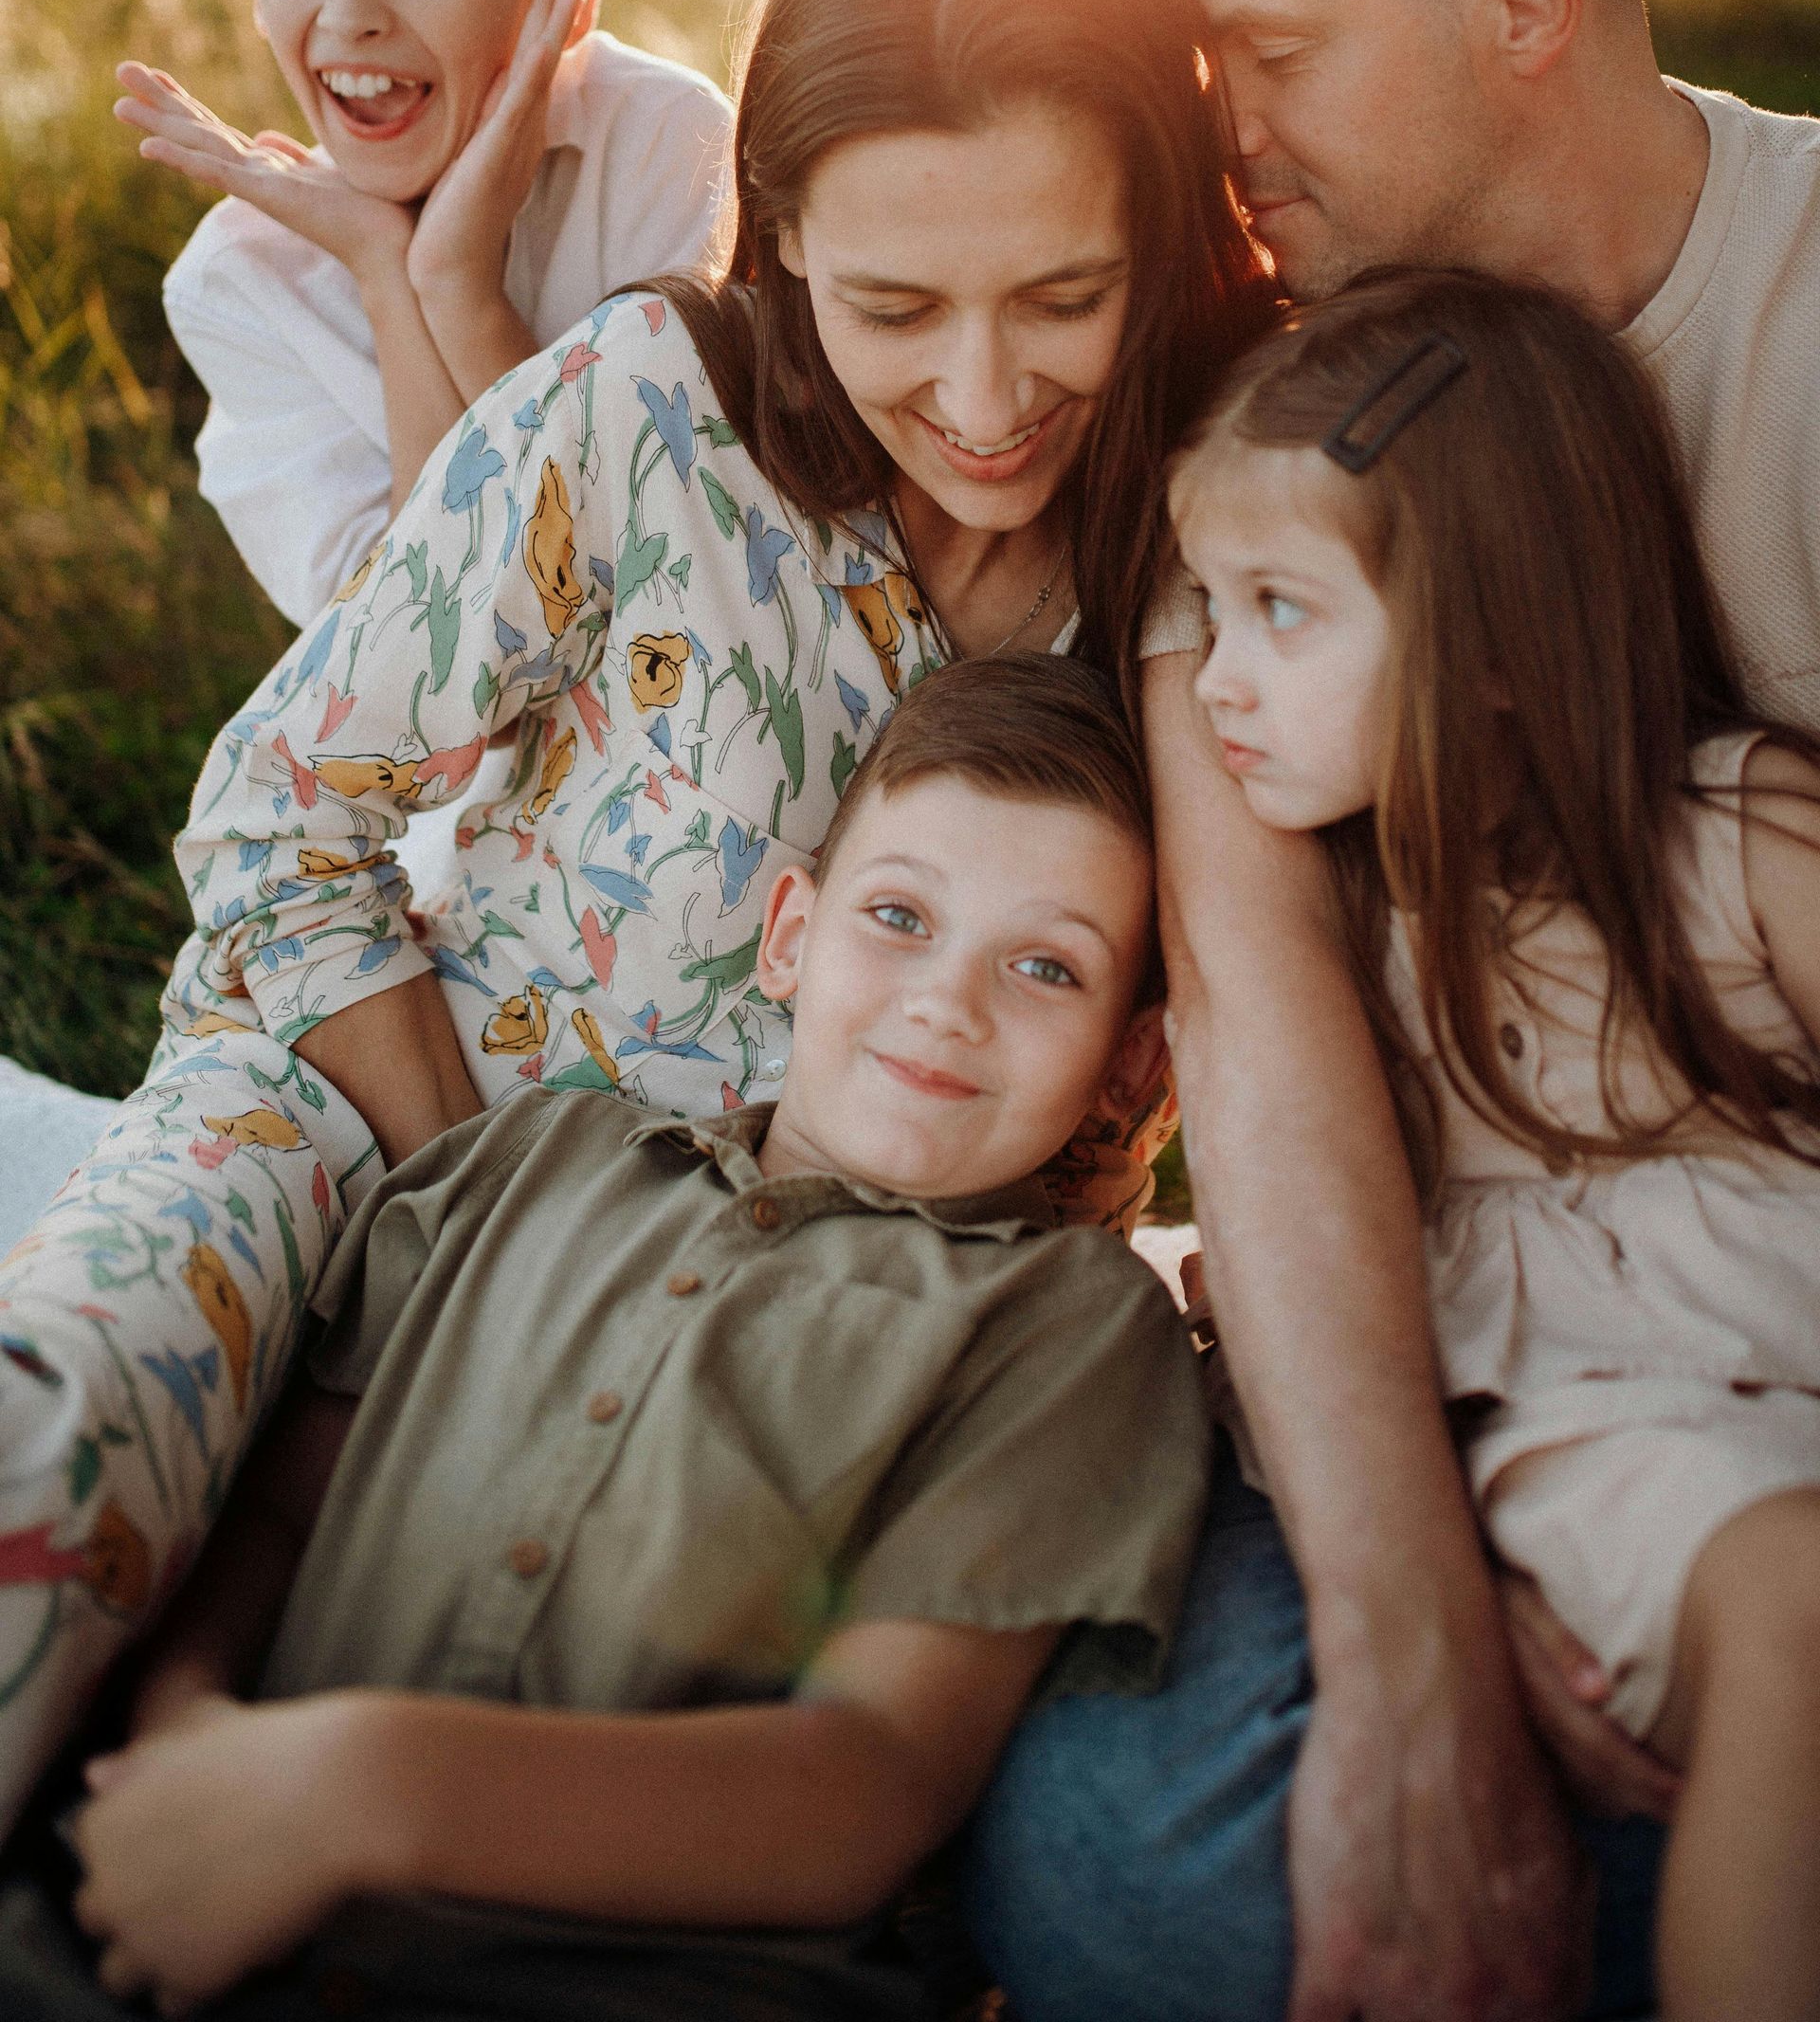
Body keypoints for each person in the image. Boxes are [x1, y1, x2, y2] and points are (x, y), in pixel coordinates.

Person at [0, 0, 1266, 1841]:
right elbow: (278, 817)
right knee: (58, 1450)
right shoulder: (643, 413)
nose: (985, 388)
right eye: (894, 304)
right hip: (383, 1144)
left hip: (865, 1352)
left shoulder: (1233, 541)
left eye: (1066, 295)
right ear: (778, 238)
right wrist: (481, 1226)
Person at [973, 0, 1812, 2021]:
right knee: (1132, 1859)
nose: (1226, 128)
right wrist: (1431, 1626)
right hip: (1463, 1370)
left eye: (1280, 48)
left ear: (1523, 0)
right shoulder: (1263, 427)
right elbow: (1260, 1040)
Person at [0, 659, 1210, 2022]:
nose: (949, 999)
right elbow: (277, 1510)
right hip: (187, 1890)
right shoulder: (530, 1155)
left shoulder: (1065, 1329)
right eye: (899, 915)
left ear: (1132, 1063)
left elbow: (870, 1779)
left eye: (1046, 965)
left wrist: (362, 1788)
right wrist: (185, 1743)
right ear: (789, 936)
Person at [1166, 268, 1820, 2022]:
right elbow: (1298, 1284)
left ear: (1504, 645)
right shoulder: (1360, 949)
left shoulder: (1743, 834)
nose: (1216, 679)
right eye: (1209, 611)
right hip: (1617, 1439)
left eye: (1279, 612)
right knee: (1799, 1617)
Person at [121, 0, 730, 627]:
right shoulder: (240, 280)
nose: (349, 12)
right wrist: (382, 271)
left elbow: (649, 580)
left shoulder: (666, 148)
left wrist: (454, 283)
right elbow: (416, 670)